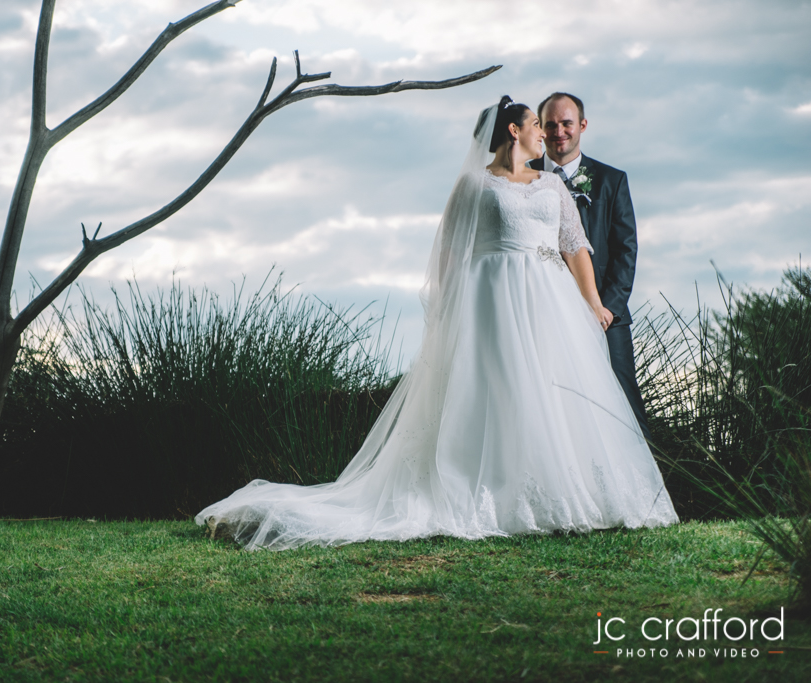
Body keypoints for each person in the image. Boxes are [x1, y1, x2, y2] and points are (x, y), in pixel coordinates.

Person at [195, 97, 678, 550]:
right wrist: (449, 308)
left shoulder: (552, 186)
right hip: (492, 300)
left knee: (555, 393)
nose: (543, 134)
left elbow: (575, 247)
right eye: (536, 124)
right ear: (514, 131)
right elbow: (449, 250)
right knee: (501, 390)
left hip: (549, 301)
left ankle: (564, 493)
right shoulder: (474, 186)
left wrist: (592, 303)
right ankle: (494, 491)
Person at [528, 93, 651, 439]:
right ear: (540, 129)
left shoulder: (612, 180)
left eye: (567, 123)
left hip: (605, 317)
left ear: (582, 125)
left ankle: (654, 473)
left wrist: (607, 308)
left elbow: (625, 250)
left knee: (625, 405)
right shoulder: (522, 177)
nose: (559, 132)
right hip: (543, 314)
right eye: (550, 124)